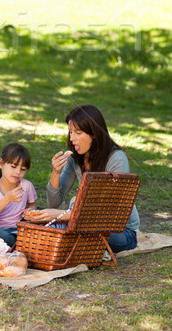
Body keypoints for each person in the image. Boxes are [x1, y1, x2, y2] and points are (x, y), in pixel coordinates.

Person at [33, 104, 140, 253]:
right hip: (83, 224)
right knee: (36, 215)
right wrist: (56, 173)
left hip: (118, 231)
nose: (72, 138)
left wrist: (63, 216)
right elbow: (54, 202)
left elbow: (109, 210)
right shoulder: (75, 158)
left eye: (78, 132)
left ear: (94, 133)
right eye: (70, 132)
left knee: (79, 231)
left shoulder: (116, 159)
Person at [0, 142, 37, 248]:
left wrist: (30, 211)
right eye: (13, 166)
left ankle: (22, 244)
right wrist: (7, 199)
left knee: (42, 214)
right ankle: (24, 245)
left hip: (17, 230)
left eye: (23, 169)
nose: (18, 172)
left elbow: (33, 205)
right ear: (1, 164)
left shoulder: (26, 186)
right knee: (1, 234)